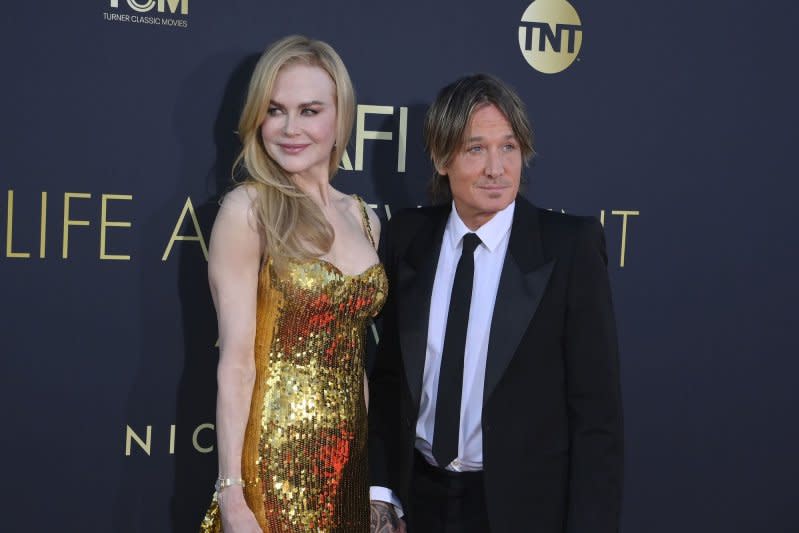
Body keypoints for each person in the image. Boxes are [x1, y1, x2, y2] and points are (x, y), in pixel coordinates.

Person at [368, 74, 623, 532]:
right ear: (441, 158)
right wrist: (383, 494)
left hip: (522, 510)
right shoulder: (407, 238)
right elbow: (388, 379)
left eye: (508, 147)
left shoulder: (568, 248)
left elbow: (597, 415)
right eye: (475, 149)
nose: (496, 168)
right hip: (418, 500)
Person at [199, 35, 386, 533]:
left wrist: (365, 478)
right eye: (275, 110)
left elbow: (355, 360)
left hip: (348, 467)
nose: (289, 128)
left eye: (309, 110)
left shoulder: (365, 218)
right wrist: (233, 496)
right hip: (274, 467)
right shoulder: (249, 210)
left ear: (340, 116)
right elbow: (236, 363)